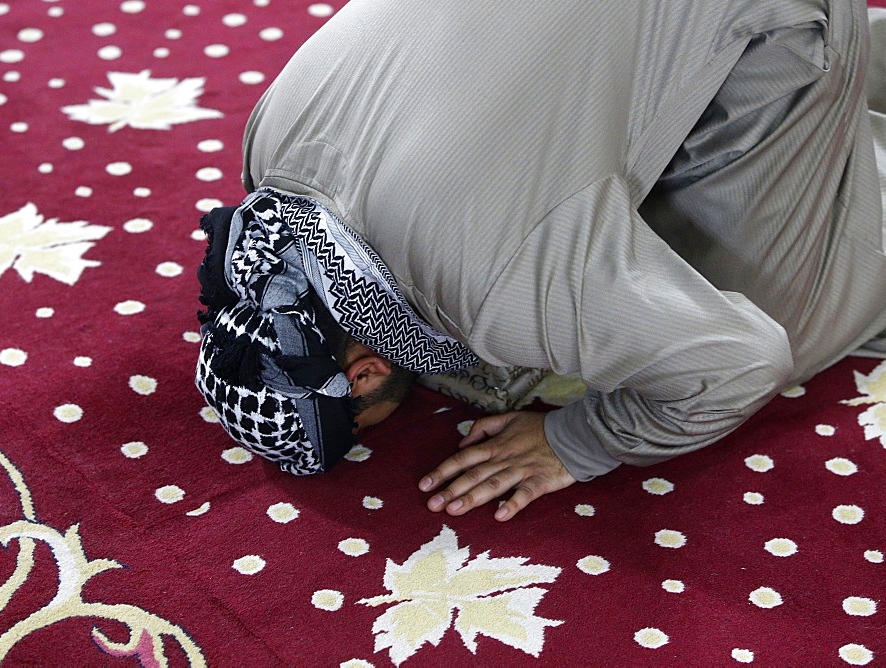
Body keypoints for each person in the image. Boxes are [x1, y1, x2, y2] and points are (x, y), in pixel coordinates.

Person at [196, 0, 886, 520]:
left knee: (784, 310)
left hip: (776, 14)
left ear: (367, 372)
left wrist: (578, 441)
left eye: (363, 421)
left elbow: (738, 365)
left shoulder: (490, 286)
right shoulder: (268, 146)